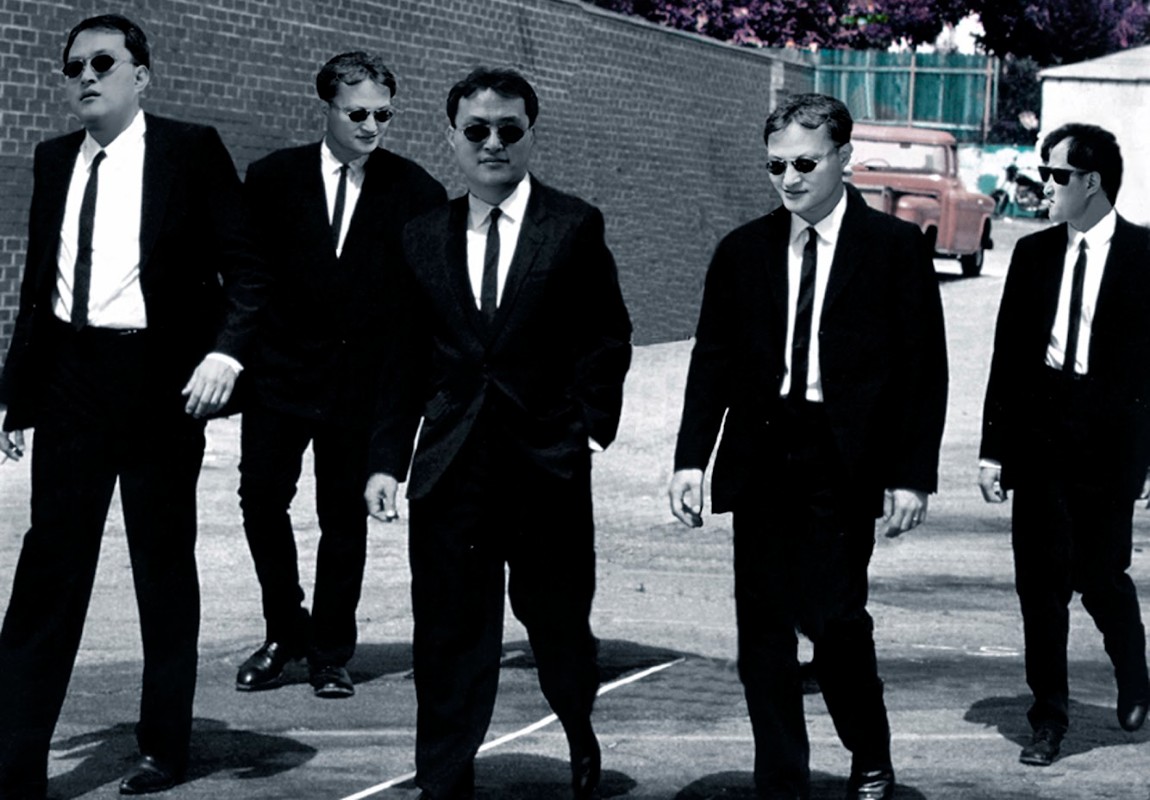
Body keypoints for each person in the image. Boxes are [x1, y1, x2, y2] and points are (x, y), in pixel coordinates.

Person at [0, 14, 265, 798]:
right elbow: (40, 286)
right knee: (48, 571)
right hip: (72, 381)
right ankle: (15, 762)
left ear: (140, 75)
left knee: (161, 563)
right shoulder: (54, 159)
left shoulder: (189, 150)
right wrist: (18, 394)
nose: (86, 76)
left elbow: (250, 269)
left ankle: (164, 745)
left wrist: (225, 354)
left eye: (103, 63)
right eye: (74, 66)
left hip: (159, 384)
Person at [668, 93, 948, 800]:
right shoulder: (742, 251)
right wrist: (690, 459)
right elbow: (713, 360)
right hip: (762, 453)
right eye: (776, 166)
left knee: (835, 620)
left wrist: (912, 475)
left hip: (842, 458)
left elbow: (923, 371)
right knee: (762, 631)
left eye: (804, 163)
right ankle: (781, 778)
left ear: (843, 157)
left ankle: (870, 751)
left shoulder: (893, 249)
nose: (788, 179)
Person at [365, 67, 632, 800]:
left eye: (508, 130)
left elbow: (606, 337)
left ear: (530, 136)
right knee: (447, 632)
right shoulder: (421, 235)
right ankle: (444, 779)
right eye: (476, 130)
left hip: (545, 463)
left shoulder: (572, 225)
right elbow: (400, 358)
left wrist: (587, 429)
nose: (492, 143)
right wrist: (386, 460)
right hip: (452, 465)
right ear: (451, 137)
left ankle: (577, 724)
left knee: (557, 623)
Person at [234, 52, 445, 700]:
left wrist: (396, 426)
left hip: (360, 387)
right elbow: (247, 277)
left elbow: (416, 318)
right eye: (357, 114)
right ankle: (283, 630)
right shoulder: (272, 178)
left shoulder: (416, 192)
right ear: (326, 107)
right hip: (279, 379)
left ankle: (330, 651)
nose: (371, 126)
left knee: (343, 519)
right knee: (260, 500)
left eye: (383, 115)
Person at [979, 122, 1150, 767]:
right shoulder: (1033, 254)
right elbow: (1007, 359)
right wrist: (993, 450)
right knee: (1040, 586)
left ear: (1092, 183)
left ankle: (1133, 673)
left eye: (1056, 175)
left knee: (1101, 578)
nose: (1043, 186)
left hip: (1110, 441)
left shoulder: (1144, 256)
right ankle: (1048, 719)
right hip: (1041, 437)